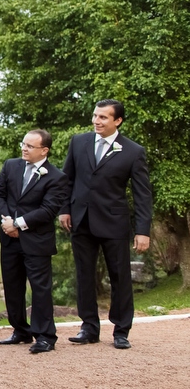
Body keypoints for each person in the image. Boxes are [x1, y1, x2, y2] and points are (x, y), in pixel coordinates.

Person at [59, 99, 153, 349]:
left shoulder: (133, 151)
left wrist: (143, 231)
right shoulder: (79, 142)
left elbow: (143, 194)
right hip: (81, 220)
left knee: (120, 277)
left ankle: (121, 331)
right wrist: (64, 210)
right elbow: (66, 179)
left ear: (117, 121)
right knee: (84, 276)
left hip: (114, 222)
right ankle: (88, 327)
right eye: (95, 116)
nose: (96, 121)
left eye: (103, 117)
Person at [0, 130, 68, 354]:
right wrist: (7, 221)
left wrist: (18, 224)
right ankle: (20, 330)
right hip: (9, 239)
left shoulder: (56, 177)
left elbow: (48, 210)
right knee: (12, 286)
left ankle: (45, 336)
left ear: (44, 150)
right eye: (23, 144)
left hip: (36, 241)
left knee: (40, 289)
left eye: (30, 146)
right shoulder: (11, 166)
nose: (24, 149)